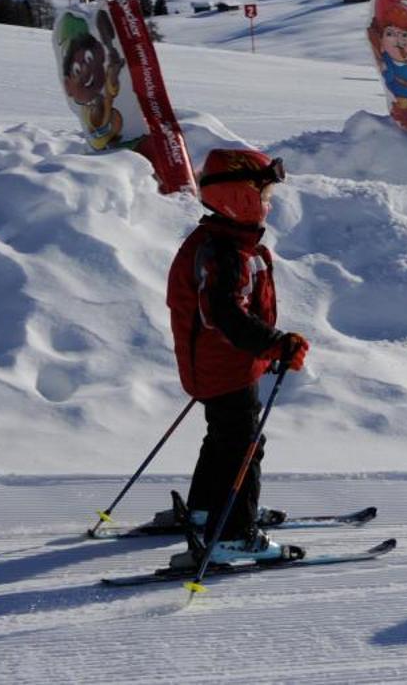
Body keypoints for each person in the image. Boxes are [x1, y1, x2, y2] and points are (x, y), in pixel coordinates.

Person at [164, 147, 309, 563]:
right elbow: (224, 315)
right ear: (240, 197)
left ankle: (208, 509)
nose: (268, 204)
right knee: (244, 445)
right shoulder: (222, 252)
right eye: (264, 195)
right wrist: (275, 342)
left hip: (221, 366)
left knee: (226, 440)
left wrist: (268, 345)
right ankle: (233, 532)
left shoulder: (223, 242)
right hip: (224, 368)